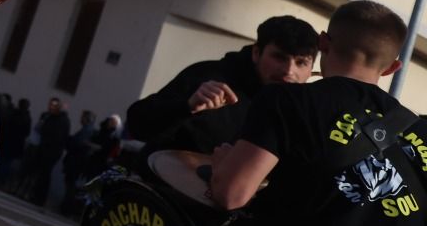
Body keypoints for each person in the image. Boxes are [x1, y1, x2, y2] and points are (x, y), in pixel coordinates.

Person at [211, 1, 426, 226]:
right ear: (392, 67)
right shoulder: (423, 132)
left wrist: (222, 165)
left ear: (323, 44)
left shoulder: (288, 100)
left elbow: (233, 193)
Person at [127, 15, 319, 153]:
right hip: (155, 199)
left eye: (301, 62)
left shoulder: (302, 113)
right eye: (279, 57)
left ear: (310, 69)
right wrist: (186, 107)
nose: (288, 71)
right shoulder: (208, 77)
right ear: (256, 53)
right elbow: (136, 124)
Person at [21, 97, 71, 205]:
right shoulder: (52, 117)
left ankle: (39, 197)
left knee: (44, 174)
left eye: (53, 105)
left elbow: (56, 136)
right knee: (42, 174)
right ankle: (36, 195)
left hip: (50, 151)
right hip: (46, 149)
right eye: (50, 105)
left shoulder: (61, 120)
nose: (50, 107)